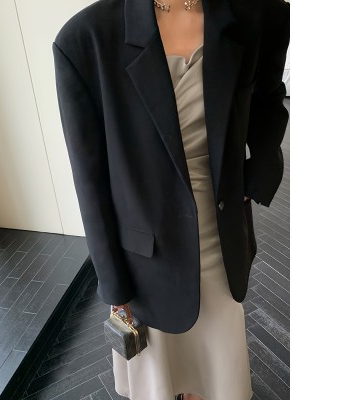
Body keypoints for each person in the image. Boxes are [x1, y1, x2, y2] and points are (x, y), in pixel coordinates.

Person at [52, 0, 290, 399]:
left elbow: (269, 100)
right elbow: (90, 181)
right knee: (165, 380)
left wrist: (256, 176)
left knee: (218, 376)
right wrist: (114, 285)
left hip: (219, 239)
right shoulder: (85, 39)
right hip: (146, 255)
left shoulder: (254, 15)